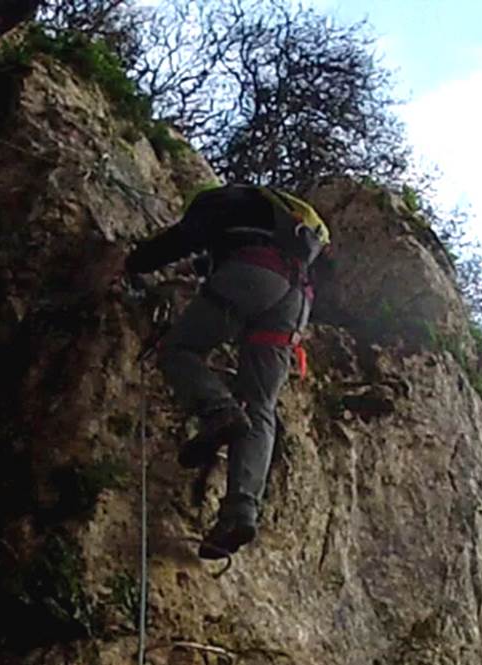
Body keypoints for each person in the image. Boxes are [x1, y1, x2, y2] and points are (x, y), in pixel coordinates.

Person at [125, 182, 332, 559]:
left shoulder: (217, 201)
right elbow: (221, 252)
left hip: (254, 274)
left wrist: (136, 261)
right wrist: (202, 267)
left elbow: (186, 238)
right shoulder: (279, 223)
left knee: (180, 350)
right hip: (296, 300)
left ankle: (218, 411)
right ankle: (240, 510)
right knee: (261, 405)